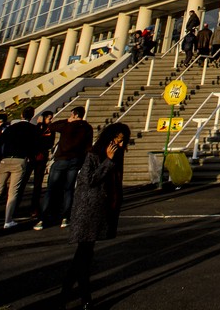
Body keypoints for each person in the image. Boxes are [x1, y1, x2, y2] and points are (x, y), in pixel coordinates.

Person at [61, 122, 130, 307]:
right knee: (83, 256)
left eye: (123, 141)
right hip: (88, 209)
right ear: (109, 139)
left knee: (83, 256)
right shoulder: (93, 155)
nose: (120, 145)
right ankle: (84, 300)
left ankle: (66, 296)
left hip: (100, 210)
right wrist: (108, 161)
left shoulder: (116, 157)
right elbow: (89, 180)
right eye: (118, 140)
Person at [37, 106, 92, 230]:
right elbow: (88, 146)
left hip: (62, 159)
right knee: (69, 189)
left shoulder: (67, 125)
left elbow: (52, 126)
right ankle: (65, 217)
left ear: (74, 115)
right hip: (76, 160)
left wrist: (67, 120)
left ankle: (42, 218)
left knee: (51, 189)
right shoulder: (87, 127)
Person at [0, 107, 39, 230]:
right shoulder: (33, 129)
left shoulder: (11, 128)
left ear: (21, 115)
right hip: (20, 160)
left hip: (5, 160)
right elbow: (35, 145)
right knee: (13, 192)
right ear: (32, 116)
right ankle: (8, 220)